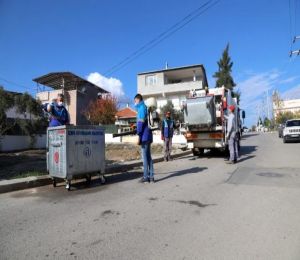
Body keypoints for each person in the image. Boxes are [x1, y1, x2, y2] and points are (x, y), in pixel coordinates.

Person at [134, 93, 154, 183]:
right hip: (149, 135)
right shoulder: (146, 107)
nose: (134, 103)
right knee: (149, 157)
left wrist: (138, 136)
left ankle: (146, 177)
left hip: (144, 136)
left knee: (145, 158)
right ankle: (151, 177)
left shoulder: (141, 108)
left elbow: (140, 123)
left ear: (138, 99)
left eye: (135, 101)